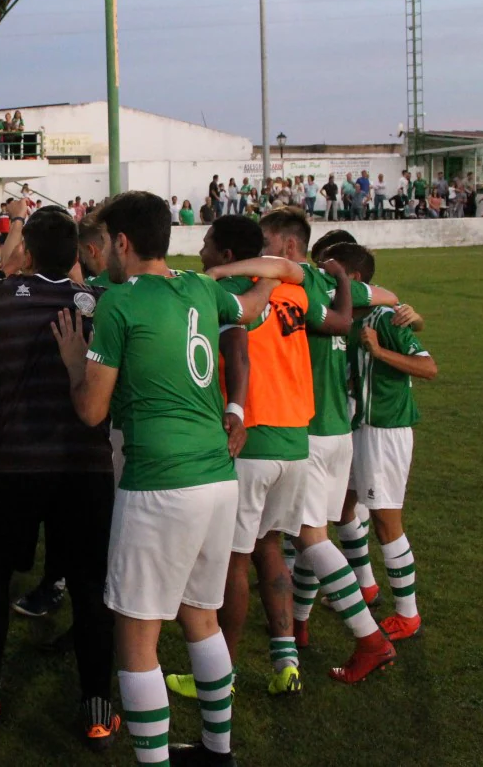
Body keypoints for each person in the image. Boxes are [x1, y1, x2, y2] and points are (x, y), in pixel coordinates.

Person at [51, 192, 281, 765]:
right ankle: (216, 751)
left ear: (122, 244)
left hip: (160, 482)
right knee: (201, 618)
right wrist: (237, 270)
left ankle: (153, 760)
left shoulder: (118, 305)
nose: (99, 253)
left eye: (102, 242)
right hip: (217, 479)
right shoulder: (202, 288)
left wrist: (76, 362)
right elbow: (267, 289)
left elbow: (92, 412)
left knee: (135, 634)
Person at [194, 212, 398, 693]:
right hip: (298, 436)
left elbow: (236, 351)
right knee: (275, 548)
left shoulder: (230, 293)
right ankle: (287, 657)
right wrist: (345, 279)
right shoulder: (300, 290)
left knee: (240, 560)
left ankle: (222, 671)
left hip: (256, 435)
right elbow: (346, 319)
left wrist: (235, 407)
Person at [0, 203, 119, 748]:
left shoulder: (3, 294)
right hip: (84, 464)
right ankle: (97, 707)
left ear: (26, 250)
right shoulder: (101, 305)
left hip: (15, 463)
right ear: (79, 253)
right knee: (91, 583)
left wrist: (9, 270)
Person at [327, 242, 437, 643]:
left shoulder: (386, 319)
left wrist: (379, 351)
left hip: (385, 430)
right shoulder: (354, 318)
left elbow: (428, 368)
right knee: (341, 508)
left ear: (352, 280)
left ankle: (408, 614)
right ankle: (366, 586)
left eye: (331, 272)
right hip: (361, 426)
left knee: (387, 521)